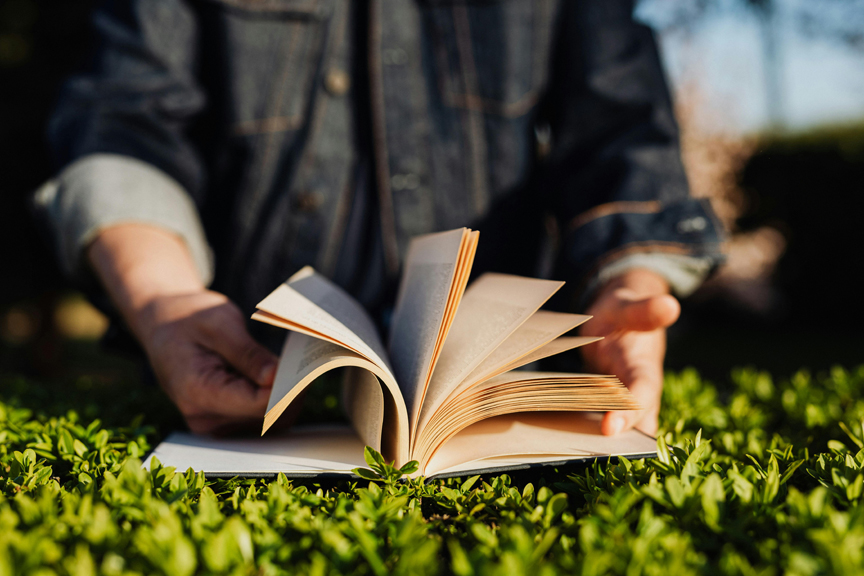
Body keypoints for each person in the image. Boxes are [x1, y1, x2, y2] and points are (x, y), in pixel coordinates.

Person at [33, 0, 723, 438]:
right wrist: (163, 302)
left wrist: (627, 285)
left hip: (494, 391)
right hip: (249, 384)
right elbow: (122, 119)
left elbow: (619, 126)